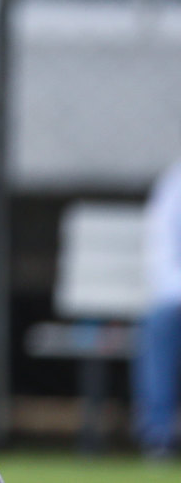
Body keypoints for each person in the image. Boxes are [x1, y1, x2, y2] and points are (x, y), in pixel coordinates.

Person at [135, 155, 181, 457]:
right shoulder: (175, 183)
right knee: (162, 320)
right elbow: (160, 250)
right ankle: (158, 435)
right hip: (176, 297)